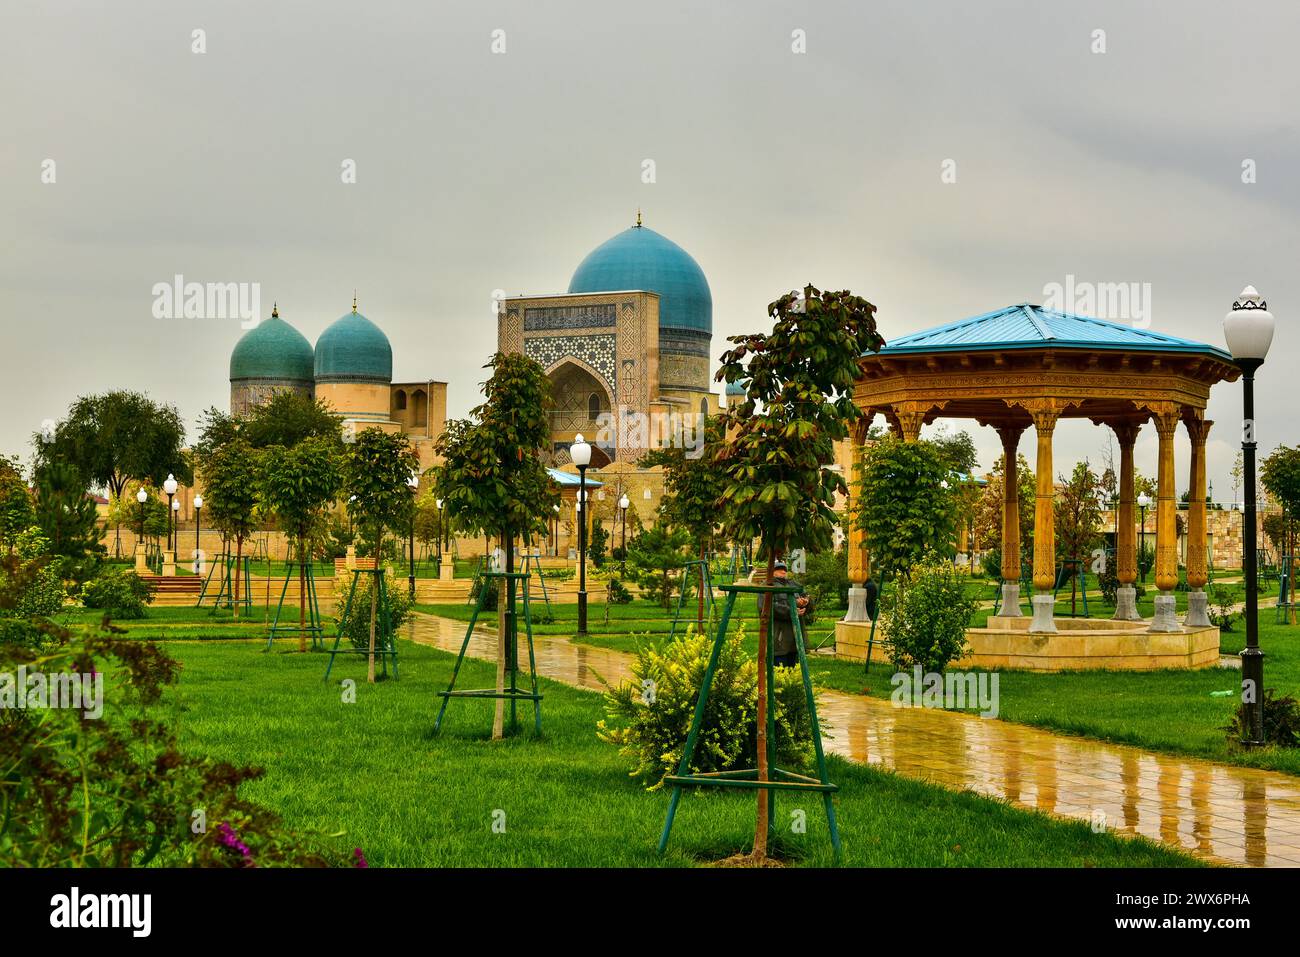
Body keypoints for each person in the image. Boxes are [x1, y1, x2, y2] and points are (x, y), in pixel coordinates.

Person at [769, 559, 809, 668]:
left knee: (795, 667)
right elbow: (766, 607)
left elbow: (805, 595)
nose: (783, 572)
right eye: (779, 569)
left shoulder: (793, 584)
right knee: (779, 667)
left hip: (795, 636)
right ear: (772, 572)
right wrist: (791, 611)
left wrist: (805, 602)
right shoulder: (768, 586)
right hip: (779, 635)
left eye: (784, 569)